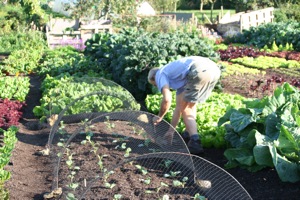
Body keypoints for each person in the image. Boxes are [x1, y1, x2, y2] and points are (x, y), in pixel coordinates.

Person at [148, 56, 221, 154]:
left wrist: (160, 116)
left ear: (154, 78)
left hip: (199, 70)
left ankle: (195, 143)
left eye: (154, 84)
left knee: (186, 109)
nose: (157, 86)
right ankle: (188, 135)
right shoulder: (179, 77)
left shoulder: (160, 74)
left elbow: (166, 99)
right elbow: (178, 108)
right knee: (190, 106)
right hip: (214, 70)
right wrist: (171, 131)